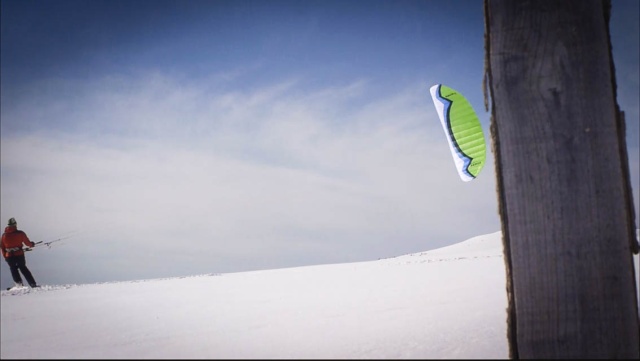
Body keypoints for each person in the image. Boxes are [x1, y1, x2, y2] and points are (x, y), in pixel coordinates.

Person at [1, 217, 38, 288]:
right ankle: (32, 284)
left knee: (13, 269)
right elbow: (27, 243)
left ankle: (19, 284)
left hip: (9, 256)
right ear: (15, 224)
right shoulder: (20, 233)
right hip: (19, 254)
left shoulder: (3, 236)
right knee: (23, 268)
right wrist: (32, 244)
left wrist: (5, 257)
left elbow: (2, 248)